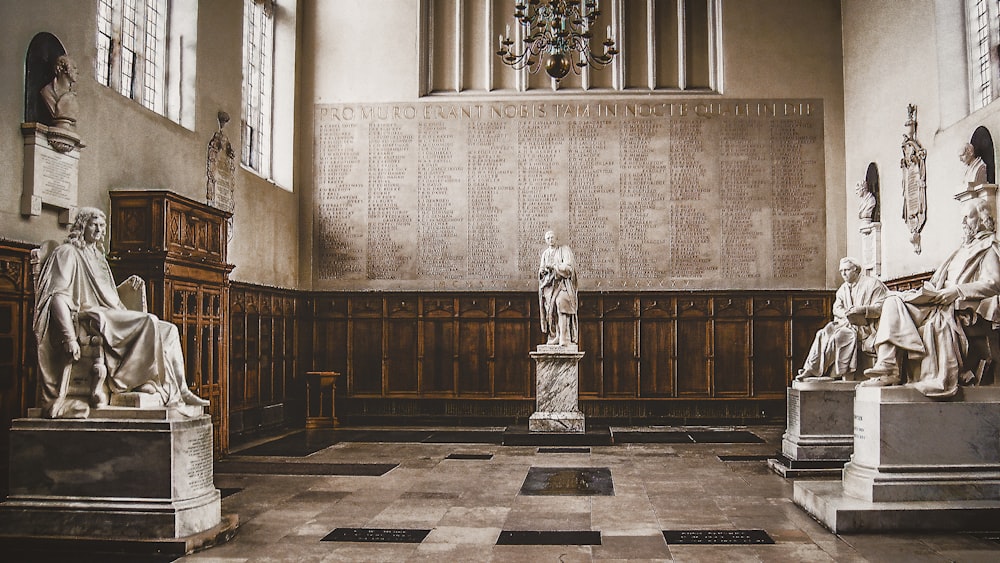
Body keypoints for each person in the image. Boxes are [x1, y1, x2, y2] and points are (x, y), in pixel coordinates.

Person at [34, 207, 209, 417]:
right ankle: (132, 381)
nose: (99, 229)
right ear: (81, 226)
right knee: (149, 321)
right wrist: (69, 337)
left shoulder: (98, 257)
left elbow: (109, 296)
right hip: (90, 318)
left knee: (168, 330)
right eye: (93, 224)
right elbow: (58, 297)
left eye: (101, 225)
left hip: (109, 313)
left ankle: (180, 390)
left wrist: (128, 286)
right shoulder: (68, 253)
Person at [861, 198, 1000, 397]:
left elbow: (994, 283)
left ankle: (891, 367)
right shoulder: (960, 250)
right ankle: (888, 366)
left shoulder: (988, 248)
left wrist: (957, 291)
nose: (963, 223)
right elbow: (937, 282)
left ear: (982, 219)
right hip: (938, 300)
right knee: (893, 300)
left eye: (967, 218)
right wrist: (923, 293)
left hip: (958, 307)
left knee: (905, 309)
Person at [796, 257, 888, 381]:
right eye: (841, 271)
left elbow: (881, 307)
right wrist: (846, 313)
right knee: (822, 334)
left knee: (841, 336)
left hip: (866, 327)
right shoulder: (843, 289)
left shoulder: (872, 284)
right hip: (846, 323)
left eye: (847, 270)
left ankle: (844, 375)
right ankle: (811, 369)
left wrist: (862, 310)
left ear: (856, 270)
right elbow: (836, 308)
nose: (843, 274)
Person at [538, 230, 578, 347]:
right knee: (552, 310)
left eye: (552, 237)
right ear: (546, 240)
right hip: (549, 288)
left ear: (556, 238)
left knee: (561, 304)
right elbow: (541, 270)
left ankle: (564, 338)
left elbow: (569, 268)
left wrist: (554, 267)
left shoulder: (564, 250)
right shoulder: (545, 254)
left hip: (563, 285)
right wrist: (543, 271)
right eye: (548, 238)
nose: (550, 239)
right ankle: (555, 335)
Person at [39, 54, 79, 129]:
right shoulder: (47, 92)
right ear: (62, 69)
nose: (77, 72)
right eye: (74, 68)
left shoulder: (73, 96)